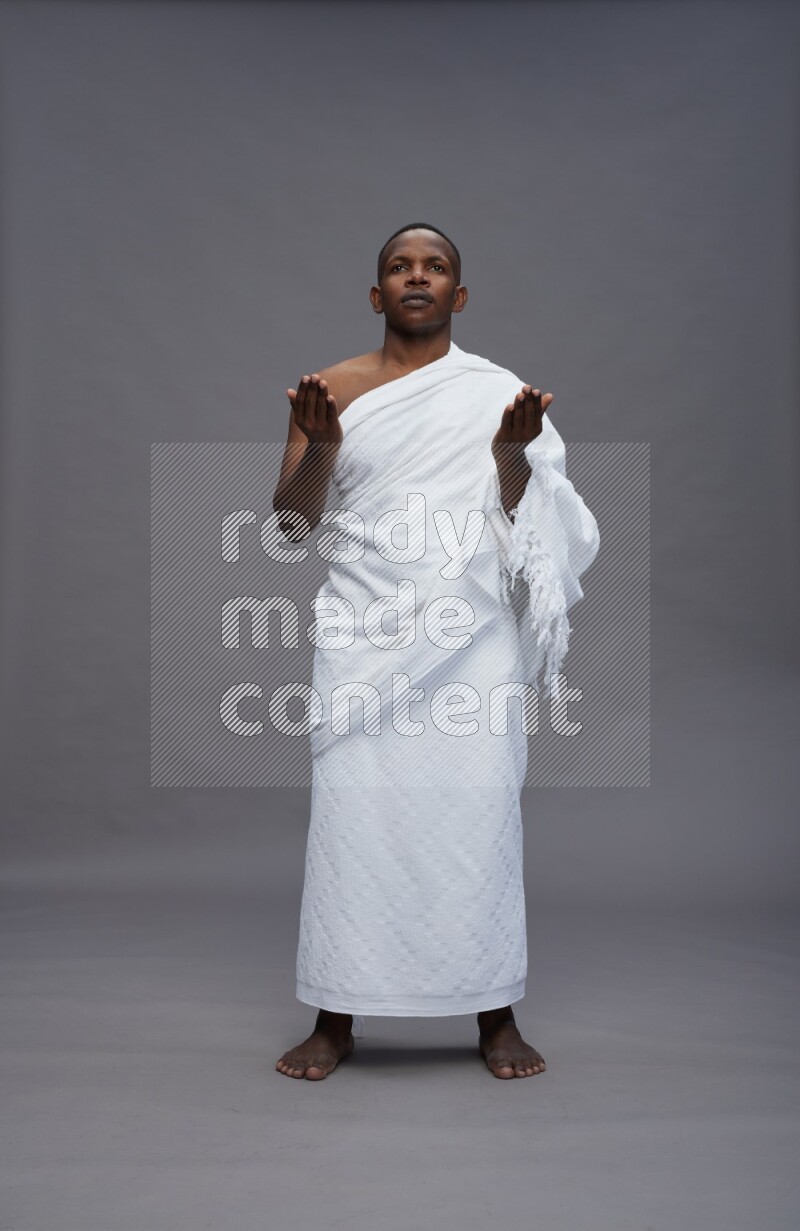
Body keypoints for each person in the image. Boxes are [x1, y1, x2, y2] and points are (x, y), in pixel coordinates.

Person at [272, 223, 600, 1080]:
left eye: (436, 266)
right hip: (362, 635)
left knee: (475, 818)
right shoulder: (330, 391)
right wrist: (324, 445)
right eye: (398, 266)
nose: (417, 275)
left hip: (469, 640)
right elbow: (294, 522)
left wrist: (509, 453)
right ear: (377, 294)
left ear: (459, 295)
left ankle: (495, 1012)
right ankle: (334, 1016)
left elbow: (525, 519)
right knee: (354, 824)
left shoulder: (499, 396)